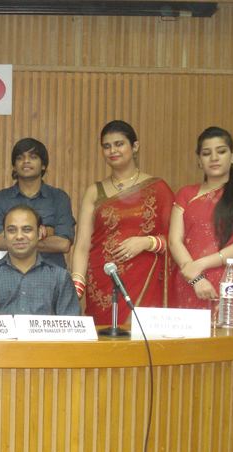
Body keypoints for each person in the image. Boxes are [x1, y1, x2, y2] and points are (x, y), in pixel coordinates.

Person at [71, 120, 174, 325]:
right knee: (104, 337)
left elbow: (176, 239)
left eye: (119, 144)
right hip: (102, 280)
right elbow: (82, 246)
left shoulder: (158, 188)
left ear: (135, 147)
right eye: (106, 146)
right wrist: (76, 288)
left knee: (140, 338)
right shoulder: (94, 191)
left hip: (145, 277)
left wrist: (146, 242)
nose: (112, 151)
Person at [169, 127, 233, 323]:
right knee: (189, 341)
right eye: (206, 153)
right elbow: (174, 241)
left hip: (229, 284)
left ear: (232, 156)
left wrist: (200, 265)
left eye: (221, 151)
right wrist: (196, 278)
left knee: (227, 340)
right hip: (190, 282)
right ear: (199, 160)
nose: (214, 158)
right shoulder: (186, 194)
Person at [0, 205, 81, 316]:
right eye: (12, 230)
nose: (19, 236)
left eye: (27, 229)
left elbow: (70, 325)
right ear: (4, 235)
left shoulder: (60, 277)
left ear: (39, 233)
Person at [0, 138, 75, 269]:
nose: (26, 161)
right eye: (20, 158)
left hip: (51, 273)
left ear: (43, 165)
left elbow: (63, 244)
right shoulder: (0, 198)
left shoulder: (58, 197)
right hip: (9, 273)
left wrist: (17, 242)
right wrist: (46, 232)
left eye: (33, 157)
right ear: (14, 166)